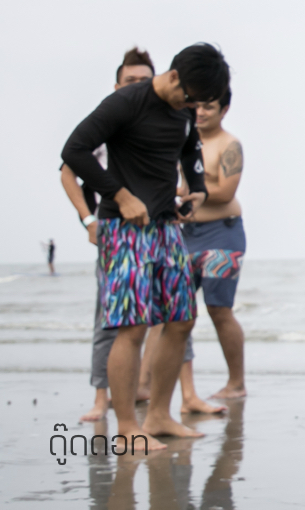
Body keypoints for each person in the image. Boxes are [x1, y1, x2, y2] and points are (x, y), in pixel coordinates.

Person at [62, 42, 232, 452]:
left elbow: (190, 147)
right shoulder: (127, 103)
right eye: (188, 98)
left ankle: (159, 416)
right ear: (173, 76)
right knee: (133, 326)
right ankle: (126, 427)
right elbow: (74, 152)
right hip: (123, 229)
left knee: (181, 319)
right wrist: (119, 196)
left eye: (197, 103)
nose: (190, 108)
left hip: (166, 226)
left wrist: (196, 188)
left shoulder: (184, 110)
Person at [61, 47, 156, 422]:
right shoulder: (105, 127)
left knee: (170, 317)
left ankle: (151, 391)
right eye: (130, 81)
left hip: (159, 233)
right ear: (117, 86)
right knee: (110, 319)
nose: (137, 87)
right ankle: (102, 398)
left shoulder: (164, 125)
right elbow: (68, 171)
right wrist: (89, 220)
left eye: (144, 81)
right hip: (116, 234)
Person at [181, 88, 248, 401]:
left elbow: (225, 191)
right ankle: (176, 390)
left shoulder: (228, 144)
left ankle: (236, 383)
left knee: (219, 308)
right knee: (176, 313)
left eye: (208, 107)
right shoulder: (182, 142)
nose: (201, 112)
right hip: (185, 234)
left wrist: (188, 191)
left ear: (224, 110)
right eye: (196, 106)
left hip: (223, 232)